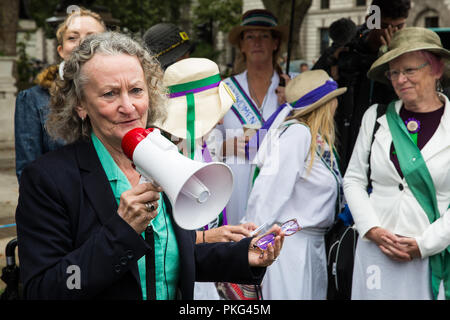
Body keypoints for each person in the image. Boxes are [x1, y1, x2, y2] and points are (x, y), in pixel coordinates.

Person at [15, 32, 284, 300]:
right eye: (110, 94)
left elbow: (174, 255)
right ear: (81, 105)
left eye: (136, 90)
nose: (128, 106)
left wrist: (243, 256)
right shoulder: (48, 179)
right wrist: (121, 231)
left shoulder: (166, 157)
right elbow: (45, 289)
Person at [344, 27, 450, 300]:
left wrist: (424, 244)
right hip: (376, 252)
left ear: (437, 69)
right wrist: (372, 229)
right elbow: (354, 179)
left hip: (430, 255)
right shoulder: (375, 116)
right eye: (394, 72)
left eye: (410, 70)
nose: (401, 79)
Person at [153, 57, 258, 299]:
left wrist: (229, 233)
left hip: (201, 271)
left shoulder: (197, 144)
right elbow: (157, 233)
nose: (221, 120)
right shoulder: (166, 153)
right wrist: (208, 237)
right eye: (214, 112)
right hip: (178, 280)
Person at [245, 70, 347, 299]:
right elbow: (268, 192)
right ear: (325, 105)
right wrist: (250, 244)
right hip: (289, 250)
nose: (338, 104)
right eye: (334, 99)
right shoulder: (297, 135)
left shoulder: (316, 140)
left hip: (310, 247)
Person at [14, 7, 106, 181]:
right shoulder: (33, 99)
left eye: (92, 37)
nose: (82, 43)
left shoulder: (122, 94)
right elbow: (28, 171)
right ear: (61, 50)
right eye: (72, 37)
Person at [218, 9, 289, 226]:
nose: (257, 42)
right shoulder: (225, 89)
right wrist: (223, 148)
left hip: (278, 188)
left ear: (275, 43)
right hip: (234, 188)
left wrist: (293, 104)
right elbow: (200, 141)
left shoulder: (293, 87)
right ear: (241, 45)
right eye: (250, 36)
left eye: (264, 36)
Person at [334, 0, 411, 174]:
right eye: (385, 26)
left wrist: (394, 58)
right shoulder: (348, 50)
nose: (392, 32)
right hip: (347, 142)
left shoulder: (409, 56)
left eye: (399, 27)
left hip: (386, 148)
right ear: (371, 21)